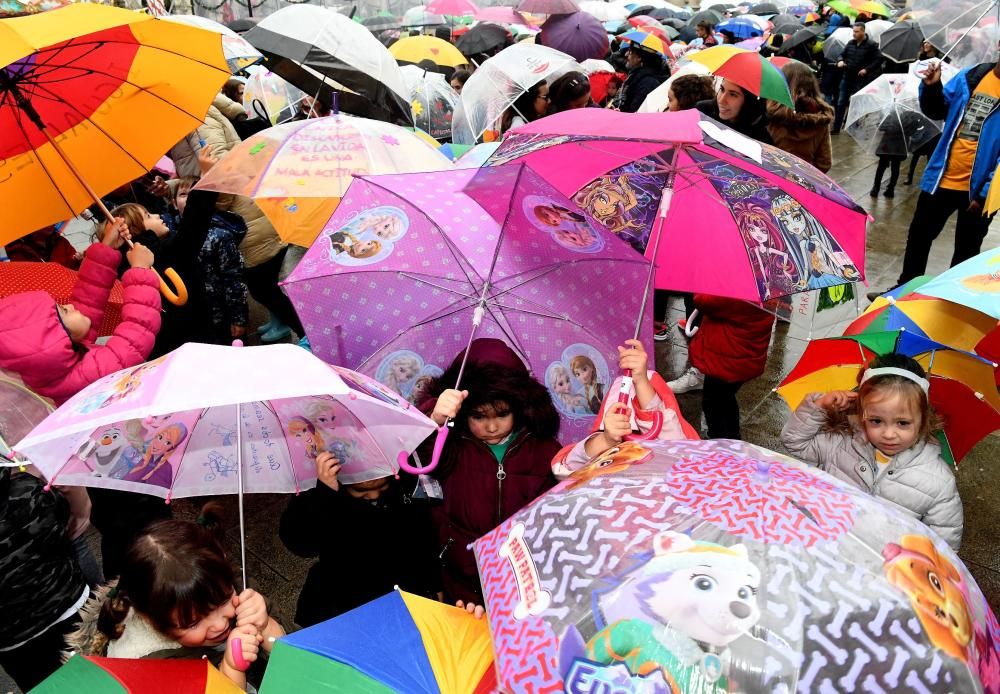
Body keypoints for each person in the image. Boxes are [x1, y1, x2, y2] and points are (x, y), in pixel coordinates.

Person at [67, 504, 285, 690]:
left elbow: (295, 652)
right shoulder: (149, 667)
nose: (219, 624)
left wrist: (265, 626)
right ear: (152, 620)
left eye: (223, 601)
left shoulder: (233, 588)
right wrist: (231, 669)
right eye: (193, 623)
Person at [416, 339, 561, 603]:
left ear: (520, 407)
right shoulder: (452, 444)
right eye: (479, 417)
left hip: (523, 571)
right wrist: (434, 419)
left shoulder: (541, 446)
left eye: (502, 414)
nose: (492, 427)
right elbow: (421, 458)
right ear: (463, 414)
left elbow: (558, 498)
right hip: (462, 571)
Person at [781, 354, 963, 549]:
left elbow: (944, 546)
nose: (889, 434)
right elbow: (794, 442)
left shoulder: (939, 482)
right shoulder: (842, 443)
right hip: (828, 544)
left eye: (902, 423)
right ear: (862, 413)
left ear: (923, 419)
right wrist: (820, 407)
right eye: (876, 421)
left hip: (884, 565)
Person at [0, 219, 160, 406]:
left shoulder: (59, 367)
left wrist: (105, 249)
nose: (69, 306)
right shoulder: (85, 378)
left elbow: (86, 300)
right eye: (62, 310)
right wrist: (140, 271)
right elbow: (136, 334)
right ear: (55, 345)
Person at [279, 451, 441, 626]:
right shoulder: (323, 497)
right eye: (360, 491)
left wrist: (434, 584)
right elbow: (300, 543)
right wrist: (323, 494)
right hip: (344, 595)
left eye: (382, 487)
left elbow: (425, 539)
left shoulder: (405, 491)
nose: (373, 496)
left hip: (401, 588)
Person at [890, 55, 1000, 291]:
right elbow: (937, 110)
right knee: (919, 237)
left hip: (979, 192)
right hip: (941, 178)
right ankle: (904, 291)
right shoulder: (971, 76)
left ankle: (951, 302)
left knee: (966, 251)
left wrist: (984, 195)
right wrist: (932, 87)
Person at [552, 340, 699, 478]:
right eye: (578, 373)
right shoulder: (588, 401)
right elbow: (566, 471)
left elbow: (681, 449)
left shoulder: (670, 437)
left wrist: (640, 380)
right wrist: (606, 440)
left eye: (584, 369)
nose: (582, 376)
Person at [0, 468, 89, 691]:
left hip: (15, 640)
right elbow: (64, 518)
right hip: (70, 604)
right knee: (100, 670)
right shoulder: (29, 488)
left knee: (48, 687)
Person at [669, 294, 775, 440]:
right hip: (742, 356)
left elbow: (703, 300)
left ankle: (719, 440)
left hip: (726, 359)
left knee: (713, 402)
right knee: (726, 398)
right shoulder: (764, 289)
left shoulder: (738, 292)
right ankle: (733, 436)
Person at [173, 178, 250, 344]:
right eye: (183, 194)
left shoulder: (220, 236)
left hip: (222, 316)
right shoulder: (172, 238)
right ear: (173, 203)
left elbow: (234, 279)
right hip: (197, 320)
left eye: (194, 194)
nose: (189, 199)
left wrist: (238, 317)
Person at [766, 61, 835, 172]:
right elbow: (824, 163)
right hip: (803, 182)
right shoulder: (820, 117)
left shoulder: (771, 113)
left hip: (772, 178)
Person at [832, 23, 882, 132]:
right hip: (847, 77)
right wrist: (840, 61)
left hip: (860, 80)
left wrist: (866, 70)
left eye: (856, 32)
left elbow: (879, 59)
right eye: (853, 31)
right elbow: (841, 55)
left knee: (855, 104)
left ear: (863, 31)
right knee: (841, 103)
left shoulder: (871, 45)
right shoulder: (850, 43)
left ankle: (852, 128)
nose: (854, 34)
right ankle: (836, 128)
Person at [697, 78, 773, 144]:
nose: (721, 100)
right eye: (722, 89)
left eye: (733, 95)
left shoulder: (759, 141)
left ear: (749, 101)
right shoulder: (702, 111)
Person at [618, 46, 666, 113]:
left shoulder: (647, 83)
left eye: (630, 52)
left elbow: (634, 112)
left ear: (639, 58)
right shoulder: (636, 76)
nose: (626, 54)